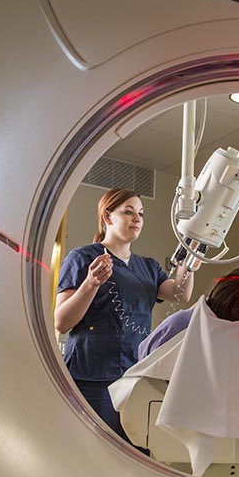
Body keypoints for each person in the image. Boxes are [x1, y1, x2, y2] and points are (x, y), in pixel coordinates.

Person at [54, 188, 194, 441]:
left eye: (140, 213)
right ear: (108, 217)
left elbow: (181, 293)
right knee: (96, 449)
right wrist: (91, 283)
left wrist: (194, 251)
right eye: (128, 212)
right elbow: (62, 322)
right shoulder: (83, 258)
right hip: (92, 376)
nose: (137, 218)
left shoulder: (148, 267)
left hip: (135, 376)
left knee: (136, 448)